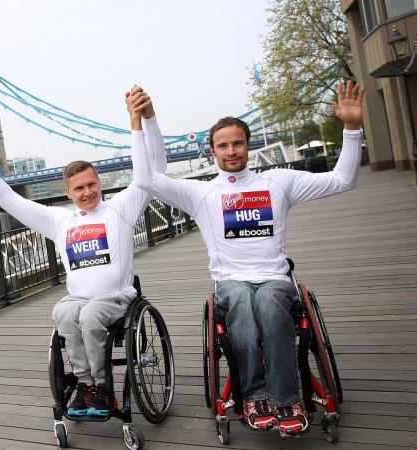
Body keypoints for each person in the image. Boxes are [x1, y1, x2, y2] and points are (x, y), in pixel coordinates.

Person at [129, 81, 364, 435]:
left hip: (275, 280)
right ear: (212, 151)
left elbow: (343, 179)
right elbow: (146, 179)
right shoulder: (202, 193)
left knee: (269, 301)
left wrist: (351, 127)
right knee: (239, 298)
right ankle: (254, 396)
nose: (231, 150)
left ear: (248, 145)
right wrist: (144, 120)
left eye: (237, 143)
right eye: (223, 145)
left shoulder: (277, 182)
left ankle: (287, 399)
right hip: (231, 283)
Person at [0, 86, 163, 417]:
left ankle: (102, 387)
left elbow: (146, 176)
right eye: (79, 188)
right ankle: (84, 384)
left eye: (92, 185)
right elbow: (9, 200)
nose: (87, 192)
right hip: (80, 301)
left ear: (100, 184)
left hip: (117, 299)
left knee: (92, 314)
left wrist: (137, 122)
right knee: (65, 312)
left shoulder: (121, 209)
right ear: (68, 192)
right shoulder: (59, 221)